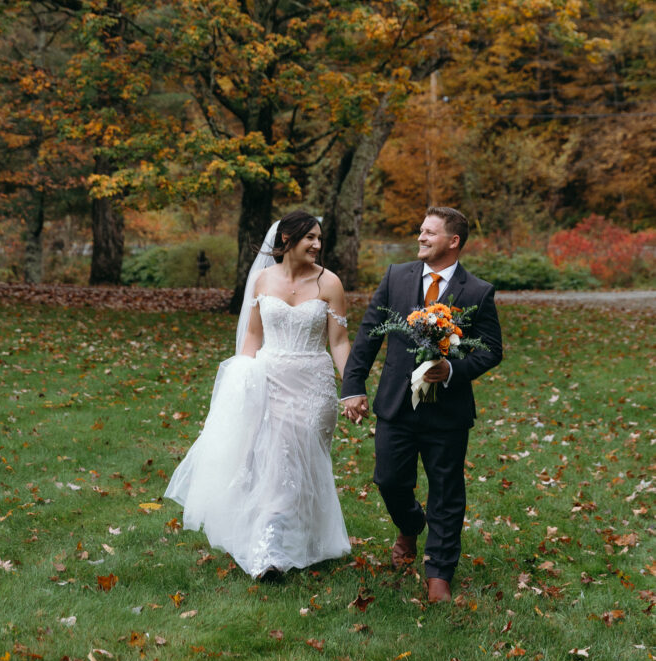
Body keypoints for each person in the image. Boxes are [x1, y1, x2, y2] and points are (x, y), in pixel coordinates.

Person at [165, 210, 351, 581]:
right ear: (286, 242)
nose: (317, 245)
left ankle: (301, 538)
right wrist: (241, 378)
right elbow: (252, 335)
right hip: (270, 379)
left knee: (304, 465)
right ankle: (269, 554)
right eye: (309, 238)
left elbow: (340, 342)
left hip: (314, 386)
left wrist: (353, 389)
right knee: (275, 466)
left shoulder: (330, 283)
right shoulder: (263, 279)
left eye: (319, 239)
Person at [341, 206, 503, 603]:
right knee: (389, 480)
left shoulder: (477, 291)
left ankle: (439, 573)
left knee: (447, 490)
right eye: (420, 230)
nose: (421, 237)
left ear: (453, 241)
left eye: (430, 232)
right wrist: (353, 385)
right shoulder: (397, 277)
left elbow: (493, 350)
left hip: (447, 412)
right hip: (396, 404)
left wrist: (451, 368)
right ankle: (410, 525)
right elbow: (367, 335)